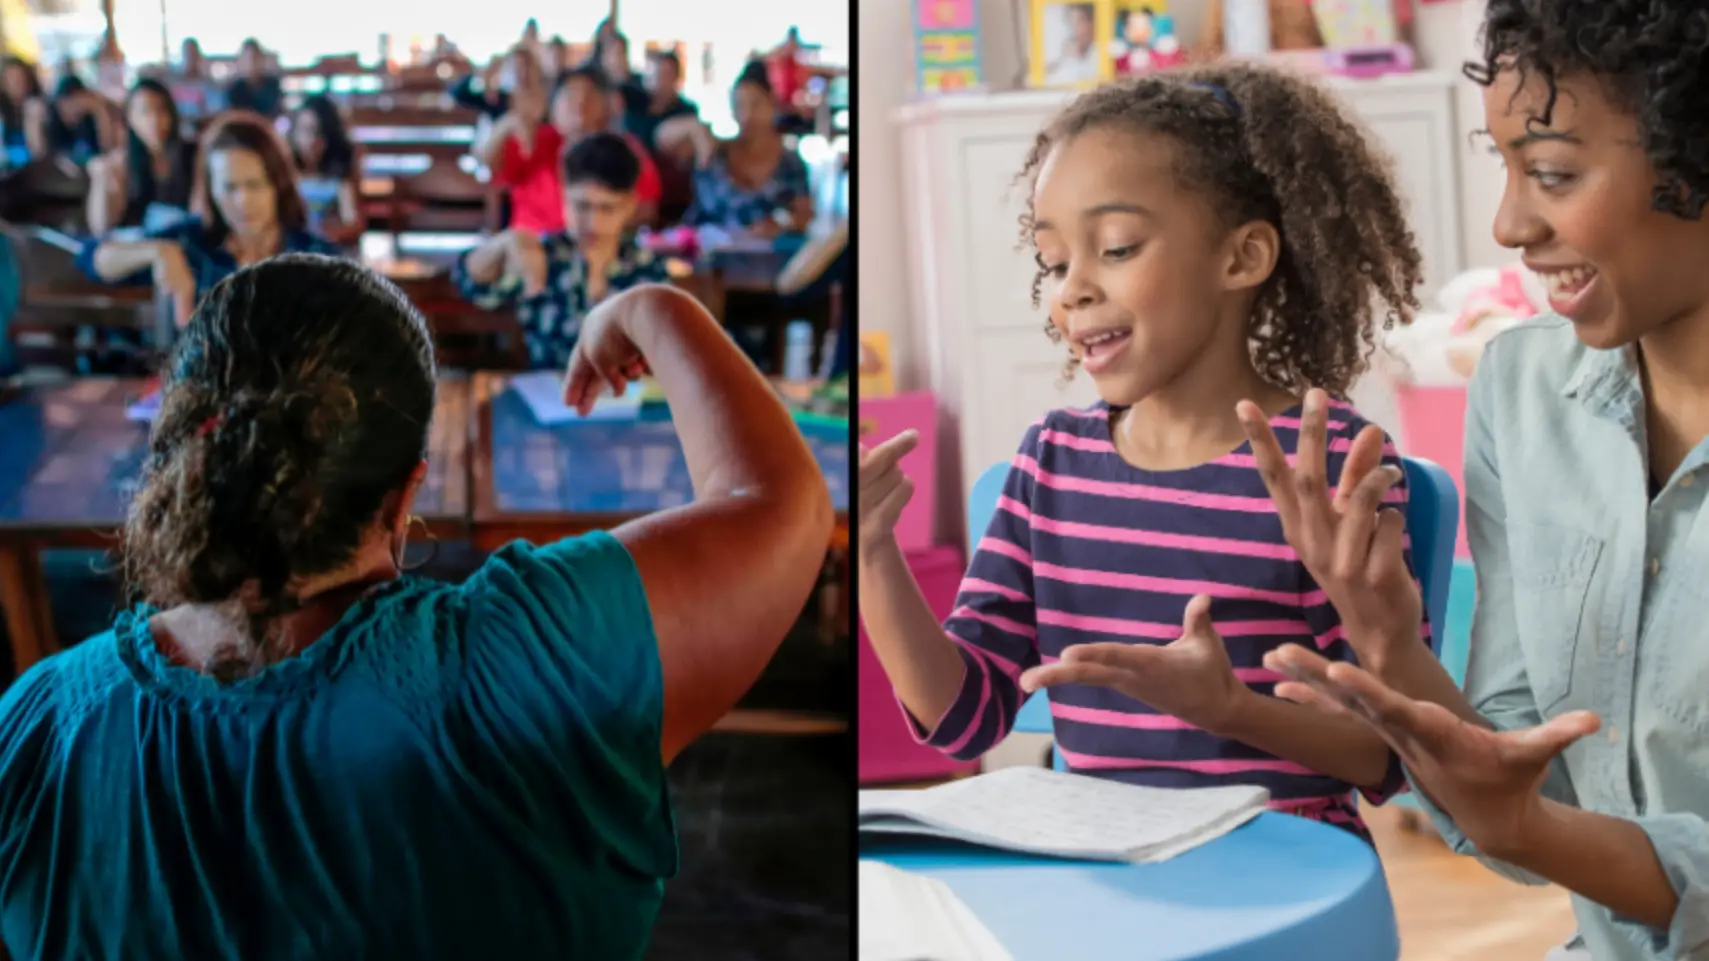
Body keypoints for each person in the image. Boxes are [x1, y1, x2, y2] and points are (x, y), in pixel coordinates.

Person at [0, 252, 832, 959]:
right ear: (403, 500)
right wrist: (654, 309)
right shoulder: (534, 666)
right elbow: (781, 502)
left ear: (180, 460)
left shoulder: (36, 725)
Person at [1233, 4, 1709, 959]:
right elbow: (1525, 784)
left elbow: (1528, 827)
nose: (1508, 223)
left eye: (1552, 173)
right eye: (1504, 167)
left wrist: (1521, 825)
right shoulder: (1523, 388)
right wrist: (1384, 636)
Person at [857, 63, 1427, 841]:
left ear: (1241, 258)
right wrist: (872, 556)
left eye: (1116, 247)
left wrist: (1230, 711)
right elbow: (962, 719)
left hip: (1282, 866)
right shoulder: (1048, 465)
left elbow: (1382, 755)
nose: (1071, 289)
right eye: (1054, 262)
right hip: (1101, 871)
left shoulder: (1328, 464)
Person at [76, 113, 341, 327]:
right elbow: (90, 256)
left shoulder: (315, 256)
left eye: (254, 185)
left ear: (277, 185)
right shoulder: (191, 243)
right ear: (211, 191)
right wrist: (158, 252)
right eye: (229, 188)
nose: (242, 201)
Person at [454, 132, 670, 370]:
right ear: (564, 196)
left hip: (626, 397)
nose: (593, 222)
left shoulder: (648, 270)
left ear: (629, 205)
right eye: (582, 206)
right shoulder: (543, 255)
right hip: (549, 394)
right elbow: (472, 287)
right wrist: (504, 243)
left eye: (607, 208)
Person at [479, 67, 661, 234]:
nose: (580, 102)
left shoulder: (623, 148)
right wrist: (506, 125)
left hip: (600, 249)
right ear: (552, 106)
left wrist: (595, 230)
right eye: (570, 94)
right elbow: (488, 163)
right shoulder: (534, 140)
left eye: (590, 95)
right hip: (531, 250)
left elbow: (646, 209)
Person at [669, 66, 813, 237]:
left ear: (771, 104)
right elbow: (662, 139)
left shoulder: (790, 162)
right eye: (739, 106)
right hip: (707, 256)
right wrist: (696, 128)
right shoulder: (715, 152)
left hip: (768, 258)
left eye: (755, 105)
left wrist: (780, 224)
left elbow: (805, 216)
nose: (747, 115)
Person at [86, 78, 198, 235]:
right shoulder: (121, 164)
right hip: (139, 247)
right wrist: (101, 180)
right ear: (130, 118)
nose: (154, 120)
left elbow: (199, 215)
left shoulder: (191, 154)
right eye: (145, 112)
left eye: (161, 110)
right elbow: (101, 227)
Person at [288, 95, 363, 246]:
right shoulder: (286, 174)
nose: (311, 141)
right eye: (305, 130)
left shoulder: (340, 178)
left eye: (319, 133)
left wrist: (325, 234)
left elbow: (353, 224)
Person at [624, 49, 699, 154]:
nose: (659, 81)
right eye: (656, 75)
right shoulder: (634, 106)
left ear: (677, 78)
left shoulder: (686, 111)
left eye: (666, 75)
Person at [44, 75, 114, 165]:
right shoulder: (54, 125)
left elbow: (107, 149)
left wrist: (99, 110)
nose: (71, 108)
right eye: (66, 102)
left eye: (76, 102)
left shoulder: (90, 121)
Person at [0, 57, 47, 166]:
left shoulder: (38, 108)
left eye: (19, 78)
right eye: (10, 79)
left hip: (34, 171)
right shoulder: (2, 112)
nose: (15, 84)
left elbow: (40, 150)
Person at [224, 39, 283, 119]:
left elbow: (280, 115)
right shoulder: (234, 89)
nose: (252, 63)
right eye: (247, 58)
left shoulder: (273, 86)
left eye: (255, 58)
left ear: (262, 59)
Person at [1046, 5, 1100, 86]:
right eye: (1072, 23)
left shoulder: (1100, 50)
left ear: (1091, 23)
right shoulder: (1068, 49)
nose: (1075, 29)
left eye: (1079, 22)